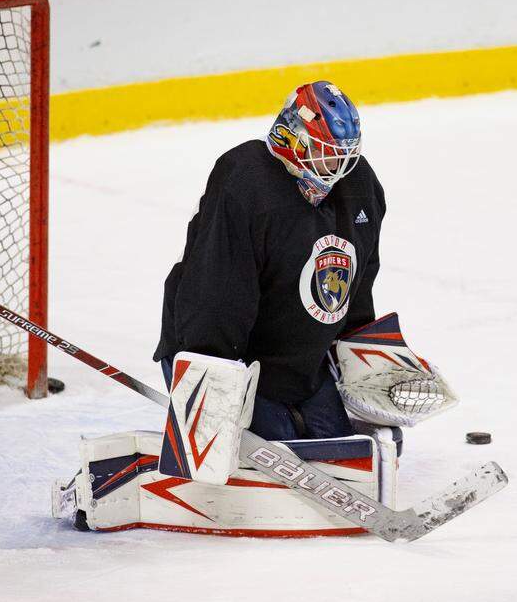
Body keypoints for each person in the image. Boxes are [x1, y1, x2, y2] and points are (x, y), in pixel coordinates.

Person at [153, 80, 385, 441]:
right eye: (326, 153)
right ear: (292, 138)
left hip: (298, 368)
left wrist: (360, 354)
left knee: (355, 449)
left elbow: (360, 277)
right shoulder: (247, 181)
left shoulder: (360, 186)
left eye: (344, 155)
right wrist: (212, 379)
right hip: (228, 356)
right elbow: (215, 293)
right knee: (274, 456)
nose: (337, 167)